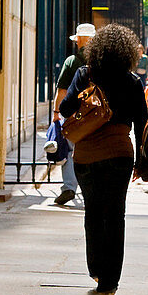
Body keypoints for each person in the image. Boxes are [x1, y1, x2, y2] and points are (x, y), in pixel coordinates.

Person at [59, 23, 147, 295]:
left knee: (93, 213)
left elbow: (64, 108)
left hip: (86, 154)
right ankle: (110, 281)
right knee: (115, 216)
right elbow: (142, 122)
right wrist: (143, 161)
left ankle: (96, 269)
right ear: (128, 53)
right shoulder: (132, 81)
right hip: (120, 153)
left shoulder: (85, 74)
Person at [52, 22, 96, 205]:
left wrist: (56, 112)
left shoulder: (71, 61)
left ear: (79, 40)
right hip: (96, 114)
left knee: (70, 150)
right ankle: (91, 188)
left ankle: (69, 187)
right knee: (93, 149)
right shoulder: (102, 60)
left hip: (74, 114)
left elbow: (62, 90)